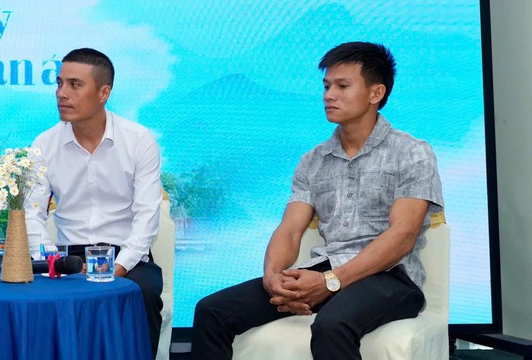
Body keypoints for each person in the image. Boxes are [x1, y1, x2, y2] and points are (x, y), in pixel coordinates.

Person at [191, 42, 444, 360]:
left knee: (332, 325)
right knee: (211, 311)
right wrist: (273, 277)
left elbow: (402, 236)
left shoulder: (412, 153)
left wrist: (332, 282)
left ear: (375, 93)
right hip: (325, 269)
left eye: (342, 86)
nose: (329, 95)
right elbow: (290, 230)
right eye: (326, 86)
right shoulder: (313, 160)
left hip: (391, 277)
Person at [24, 47, 165, 357]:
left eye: (75, 85)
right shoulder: (44, 143)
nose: (62, 93)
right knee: (31, 299)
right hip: (67, 256)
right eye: (59, 83)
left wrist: (117, 268)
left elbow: (147, 216)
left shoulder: (138, 140)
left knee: (141, 293)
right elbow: (31, 215)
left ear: (104, 93)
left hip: (127, 257)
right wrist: (53, 262)